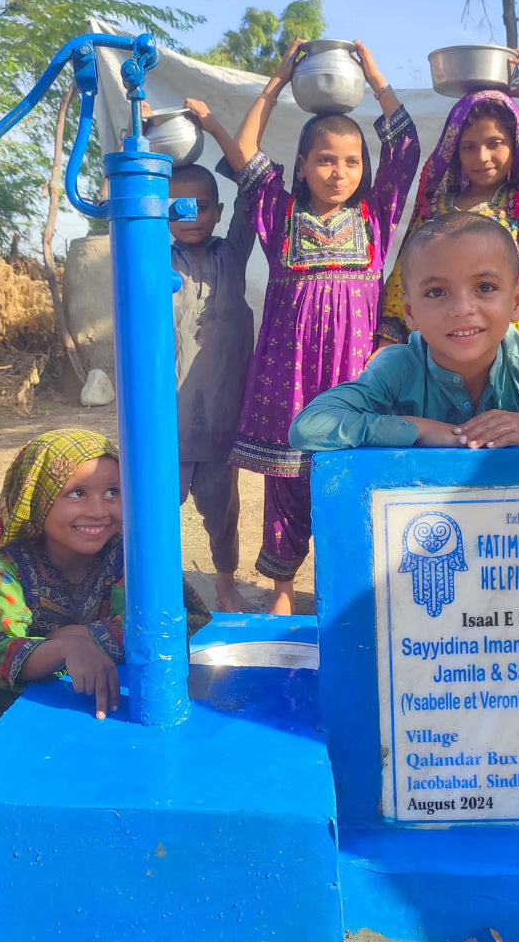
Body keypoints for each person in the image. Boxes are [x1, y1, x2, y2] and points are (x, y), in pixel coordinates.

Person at [224, 39, 420, 614]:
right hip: (289, 373)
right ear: (303, 166)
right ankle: (282, 590)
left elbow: (405, 148)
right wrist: (276, 83)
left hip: (354, 371)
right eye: (327, 160)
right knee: (286, 478)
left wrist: (376, 74)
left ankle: (341, 584)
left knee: (349, 473)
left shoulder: (375, 215)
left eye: (352, 161)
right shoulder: (279, 213)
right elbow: (244, 149)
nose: (340, 172)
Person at [289, 212, 519, 453]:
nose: (462, 308)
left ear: (517, 300)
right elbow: (310, 427)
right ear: (409, 312)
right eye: (437, 292)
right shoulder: (397, 367)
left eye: (485, 287)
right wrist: (421, 430)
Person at [377, 50, 519, 345]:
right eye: (469, 147)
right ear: (454, 151)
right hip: (441, 353)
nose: (482, 157)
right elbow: (405, 280)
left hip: (509, 355)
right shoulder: (434, 211)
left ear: (516, 144)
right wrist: (387, 346)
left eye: (495, 143)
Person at [0, 429, 125, 759]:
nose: (99, 510)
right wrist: (64, 648)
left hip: (82, 709)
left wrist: (84, 636)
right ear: (38, 500)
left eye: (113, 491)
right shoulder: (9, 568)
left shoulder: (125, 558)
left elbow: (164, 621)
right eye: (77, 493)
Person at [163, 98, 258, 613]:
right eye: (177, 206)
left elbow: (252, 186)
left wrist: (214, 125)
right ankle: (157, 590)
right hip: (169, 426)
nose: (191, 215)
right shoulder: (155, 257)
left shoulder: (232, 254)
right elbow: (121, 206)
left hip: (223, 422)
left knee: (222, 512)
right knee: (158, 514)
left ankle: (224, 582)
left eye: (202, 205)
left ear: (217, 213)